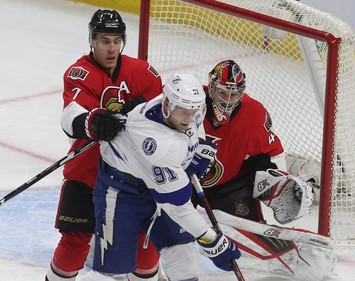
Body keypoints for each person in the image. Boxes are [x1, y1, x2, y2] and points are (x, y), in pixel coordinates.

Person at [78, 73, 241, 281]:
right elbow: (179, 209)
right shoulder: (157, 144)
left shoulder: (191, 107)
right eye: (183, 111)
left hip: (157, 183)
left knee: (184, 259)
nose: (189, 118)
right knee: (111, 275)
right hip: (121, 192)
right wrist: (213, 241)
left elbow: (195, 125)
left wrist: (197, 148)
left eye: (194, 111)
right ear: (166, 104)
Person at [182, 59, 332, 280]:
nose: (228, 100)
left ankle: (299, 257)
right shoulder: (192, 102)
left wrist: (278, 183)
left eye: (234, 94)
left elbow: (274, 152)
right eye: (224, 93)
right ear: (211, 88)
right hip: (185, 178)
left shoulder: (253, 113)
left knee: (253, 239)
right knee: (168, 229)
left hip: (229, 184)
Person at [46, 9, 163, 281]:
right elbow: (70, 114)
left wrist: (145, 113)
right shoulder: (79, 72)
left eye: (116, 40)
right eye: (104, 40)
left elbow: (166, 114)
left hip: (133, 179)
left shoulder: (144, 73)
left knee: (146, 249)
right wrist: (94, 121)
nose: (111, 48)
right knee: (74, 246)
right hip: (87, 173)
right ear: (92, 41)